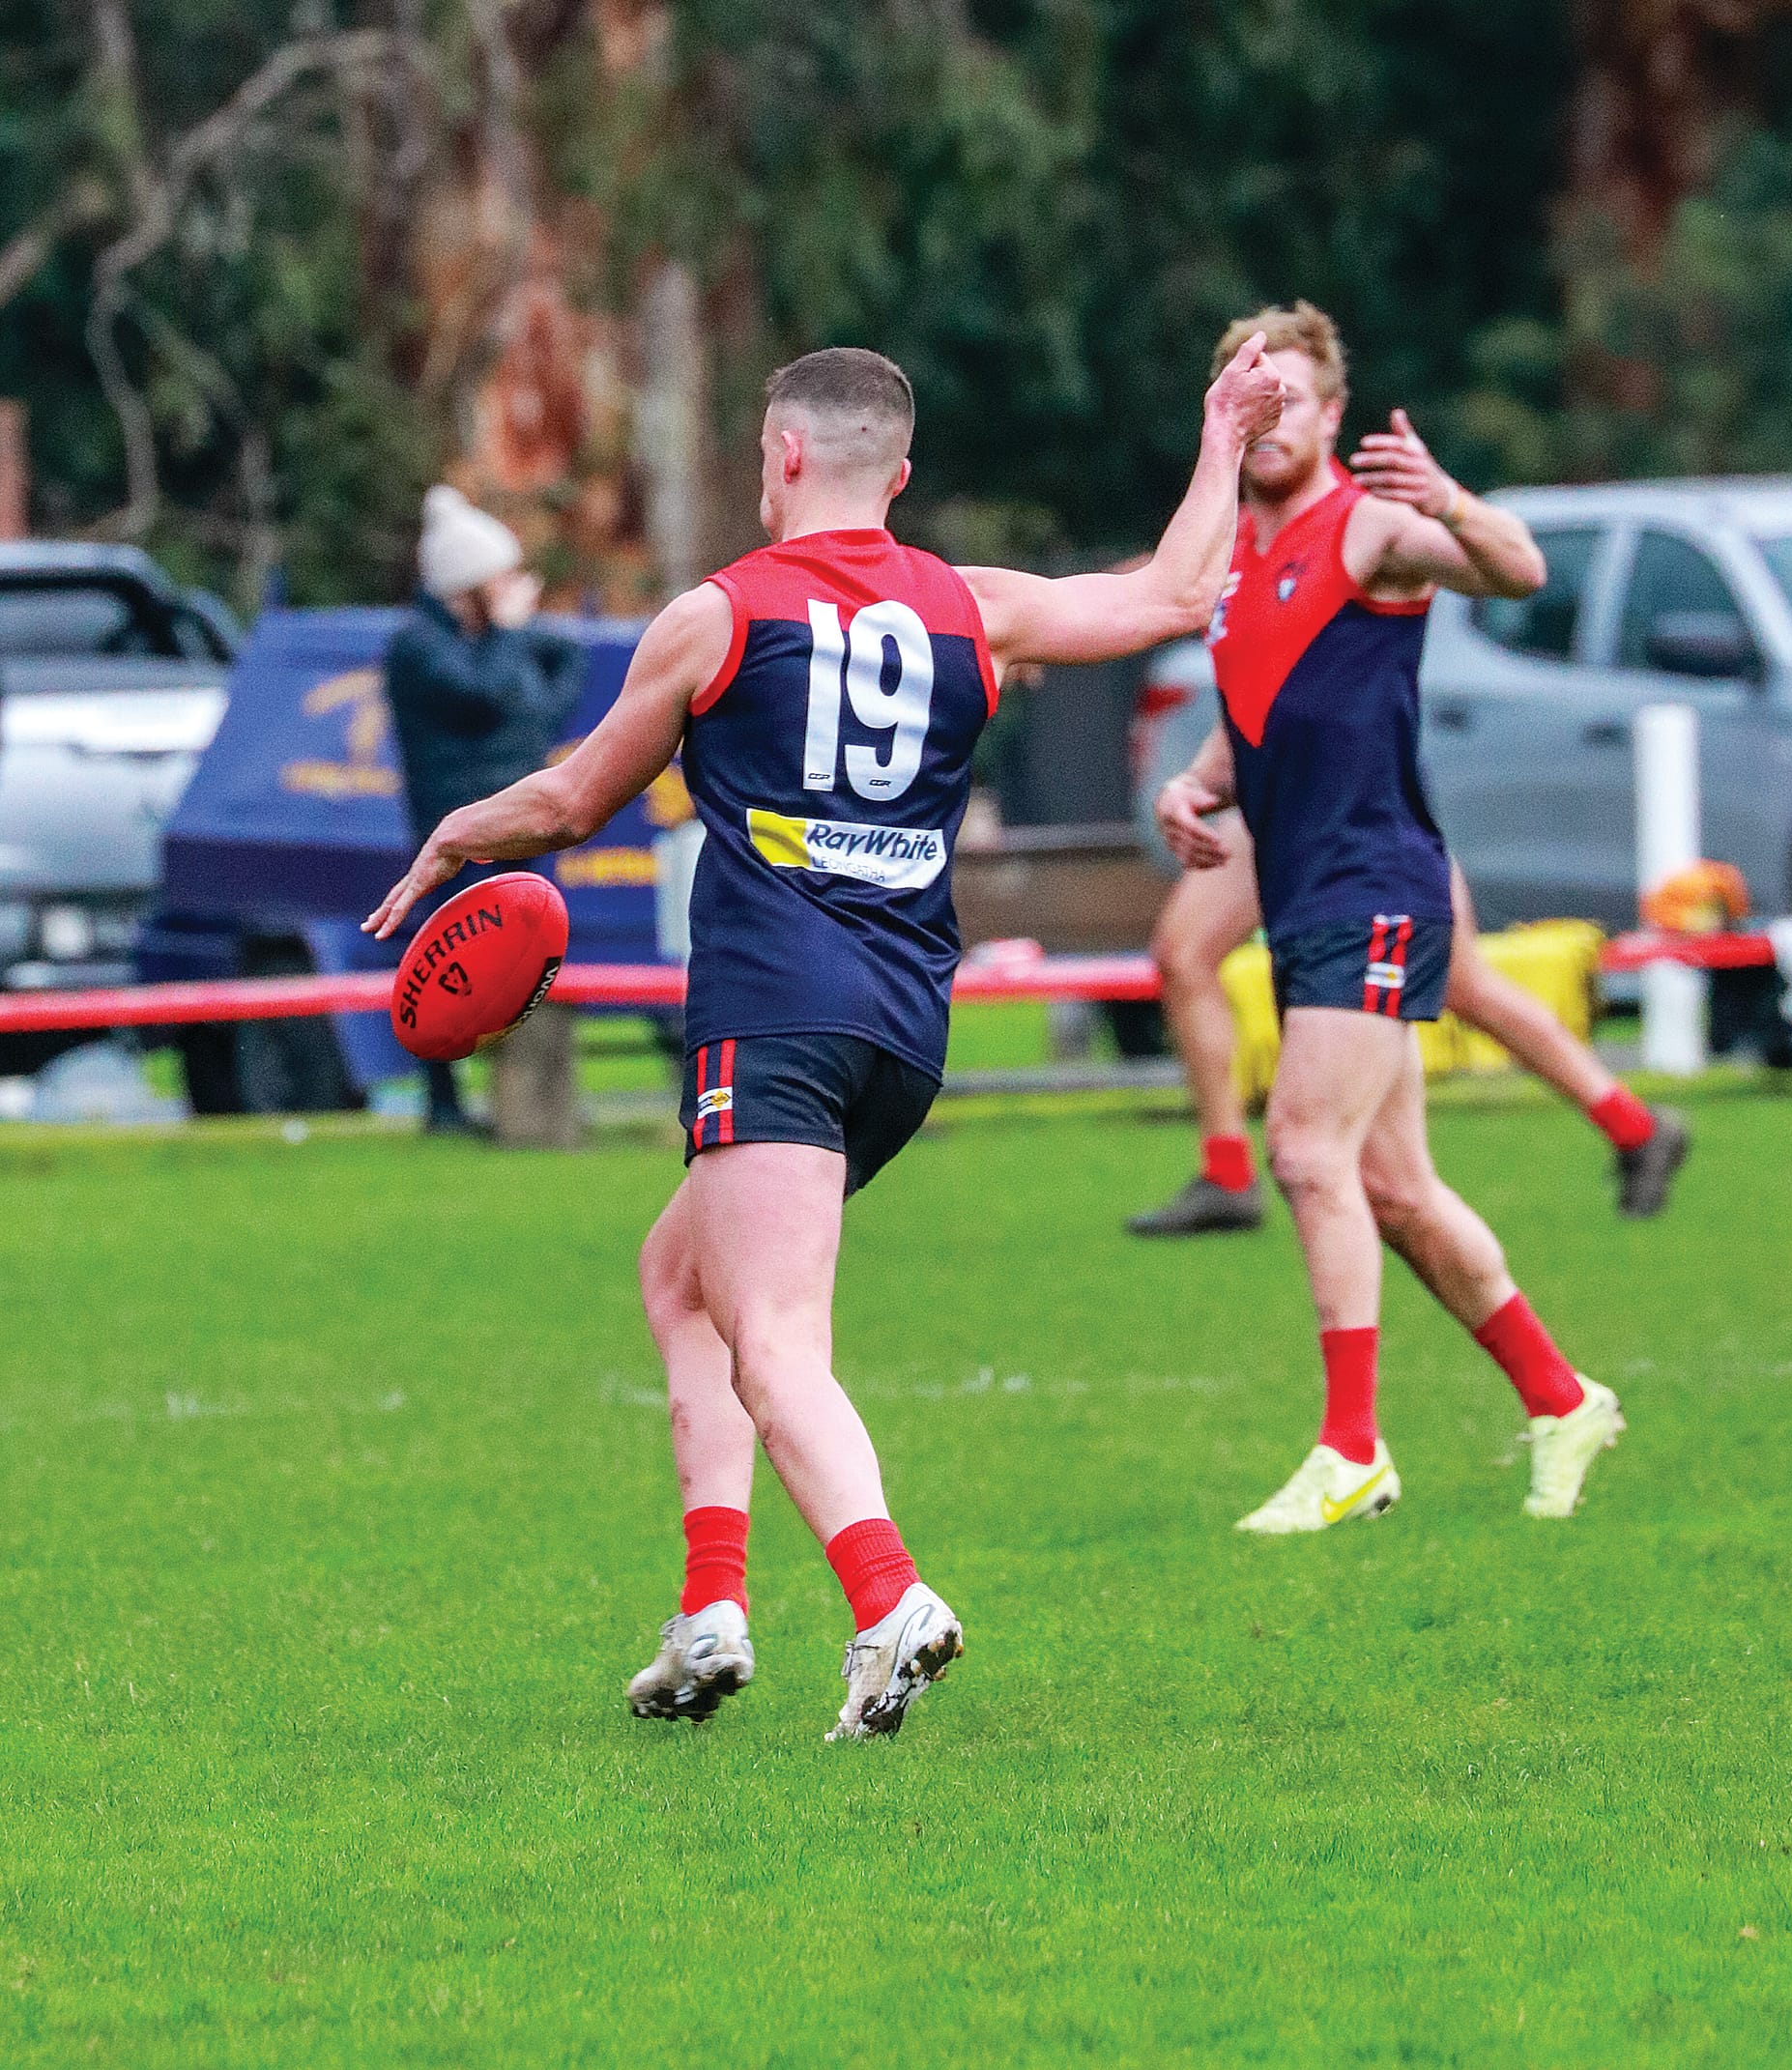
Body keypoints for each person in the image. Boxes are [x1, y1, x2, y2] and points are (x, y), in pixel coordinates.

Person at [366, 338, 1287, 1739]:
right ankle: (712, 1611)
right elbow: (1176, 592)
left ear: (783, 457)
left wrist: (453, 834)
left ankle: (890, 1597)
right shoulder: (974, 604)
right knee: (678, 1277)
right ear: (898, 477)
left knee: (774, 1335)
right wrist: (1219, 436)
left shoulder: (717, 614)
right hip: (906, 1028)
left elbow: (567, 804)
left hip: (774, 1008)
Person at [1152, 302, 1625, 1532]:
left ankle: (1351, 1450)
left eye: (1291, 399)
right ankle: (1561, 1399)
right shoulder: (1238, 558)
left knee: (1306, 1152)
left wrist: (1453, 500)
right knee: (1397, 1190)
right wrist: (1195, 784)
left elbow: (1516, 570)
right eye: (1248, 398)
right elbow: (1260, 690)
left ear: (1330, 417)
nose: (1270, 420)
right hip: (1305, 888)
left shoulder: (1365, 530)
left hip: (1376, 885)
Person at [1126, 837, 1690, 1235]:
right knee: (1185, 956)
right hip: (1313, 796)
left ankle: (1635, 1128)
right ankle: (1635, 1128)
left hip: (1336, 801)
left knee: (1458, 985)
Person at [383, 486, 585, 1135]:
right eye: (498, 580)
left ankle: (527, 1110)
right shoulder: (417, 647)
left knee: (527, 962)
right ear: (468, 586)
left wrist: (537, 718)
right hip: (457, 835)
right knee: (447, 962)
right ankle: (443, 1106)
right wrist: (506, 634)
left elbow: (563, 661)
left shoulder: (499, 640)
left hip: (523, 830)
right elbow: (482, 693)